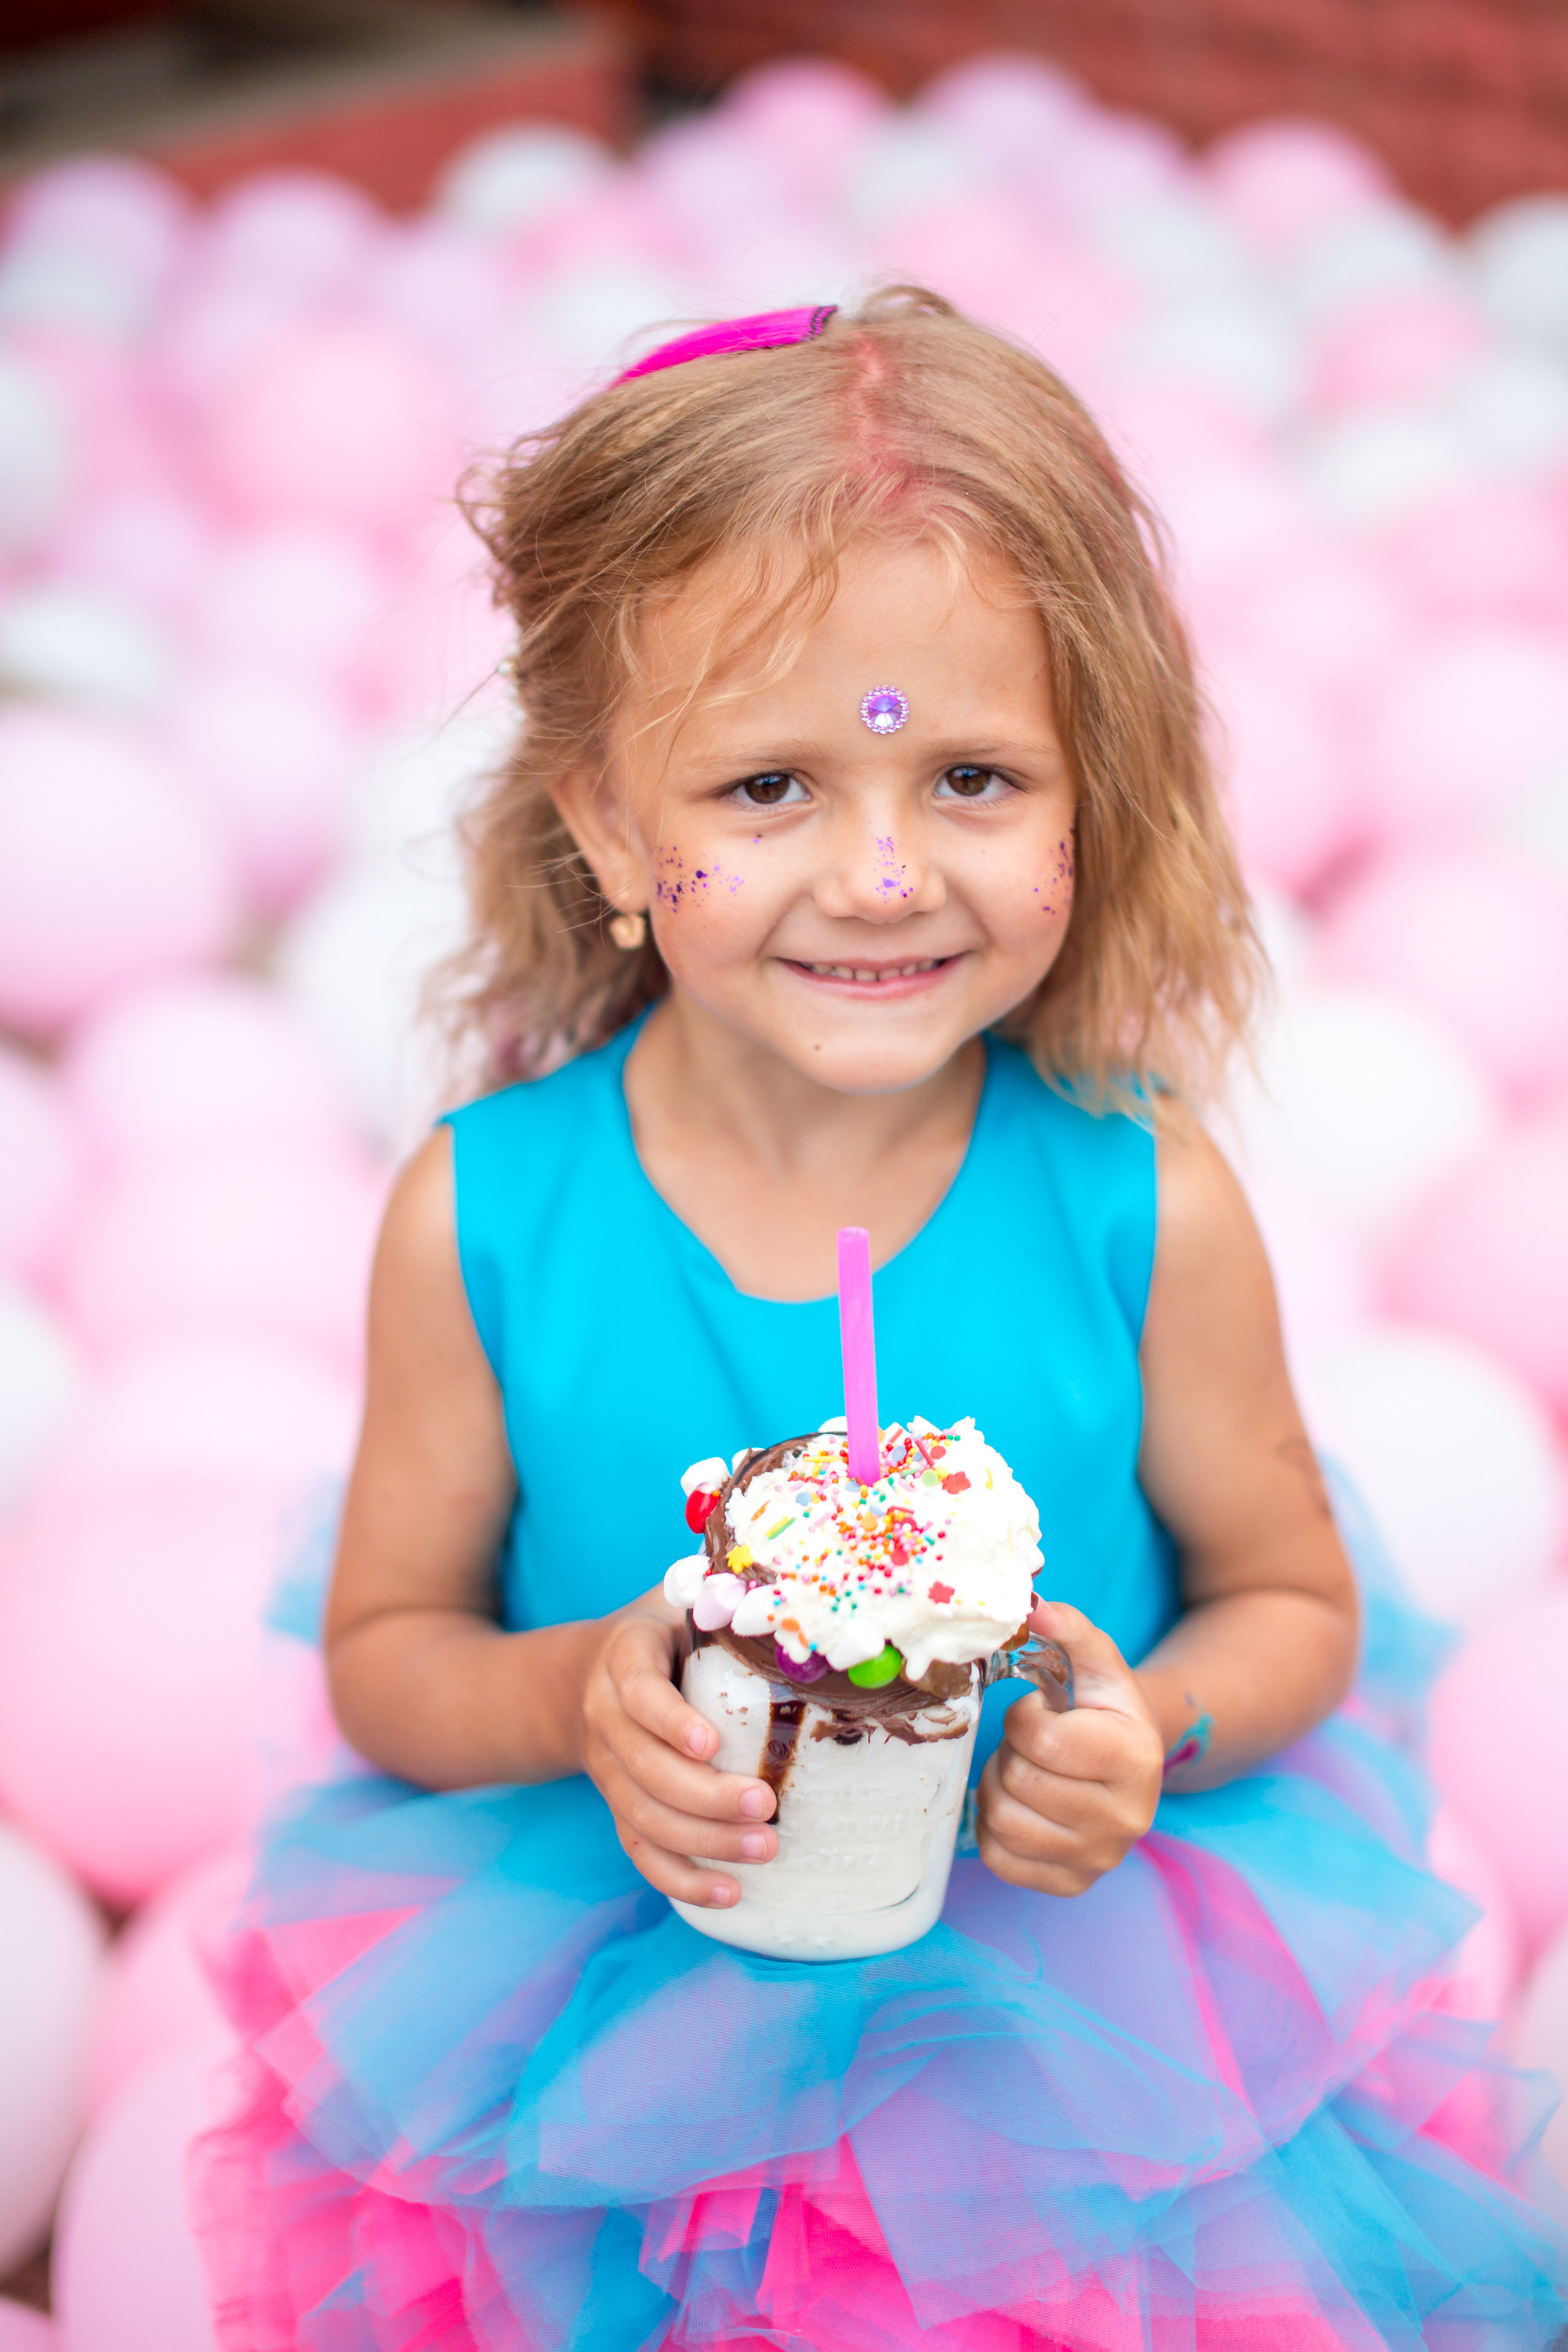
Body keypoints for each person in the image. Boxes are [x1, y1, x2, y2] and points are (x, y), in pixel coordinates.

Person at [191, 288, 1566, 2350]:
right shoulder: (484, 1223)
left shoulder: (1142, 1203)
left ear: (1094, 800)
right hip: (618, 2062)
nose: (885, 872)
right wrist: (578, 1700)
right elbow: (390, 1658)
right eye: (769, 788)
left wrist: (1150, 1729)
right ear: (606, 824)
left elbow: (1292, 1599)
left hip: (1074, 2063)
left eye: (975, 777)